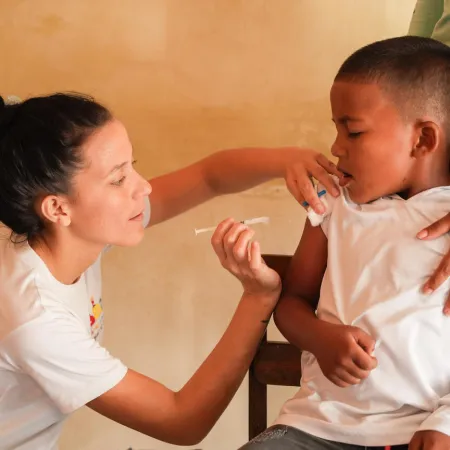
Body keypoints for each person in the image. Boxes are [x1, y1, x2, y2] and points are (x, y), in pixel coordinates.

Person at [0, 91, 347, 449]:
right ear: (57, 209)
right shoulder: (36, 321)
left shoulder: (64, 234)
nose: (144, 187)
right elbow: (182, 421)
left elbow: (208, 177)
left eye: (132, 166)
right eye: (118, 179)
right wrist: (258, 297)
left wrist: (287, 160)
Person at [239, 36, 450, 450]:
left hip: (426, 430)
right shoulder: (333, 207)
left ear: (422, 140)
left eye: (352, 132)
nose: (335, 148)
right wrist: (320, 337)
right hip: (315, 427)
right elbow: (292, 301)